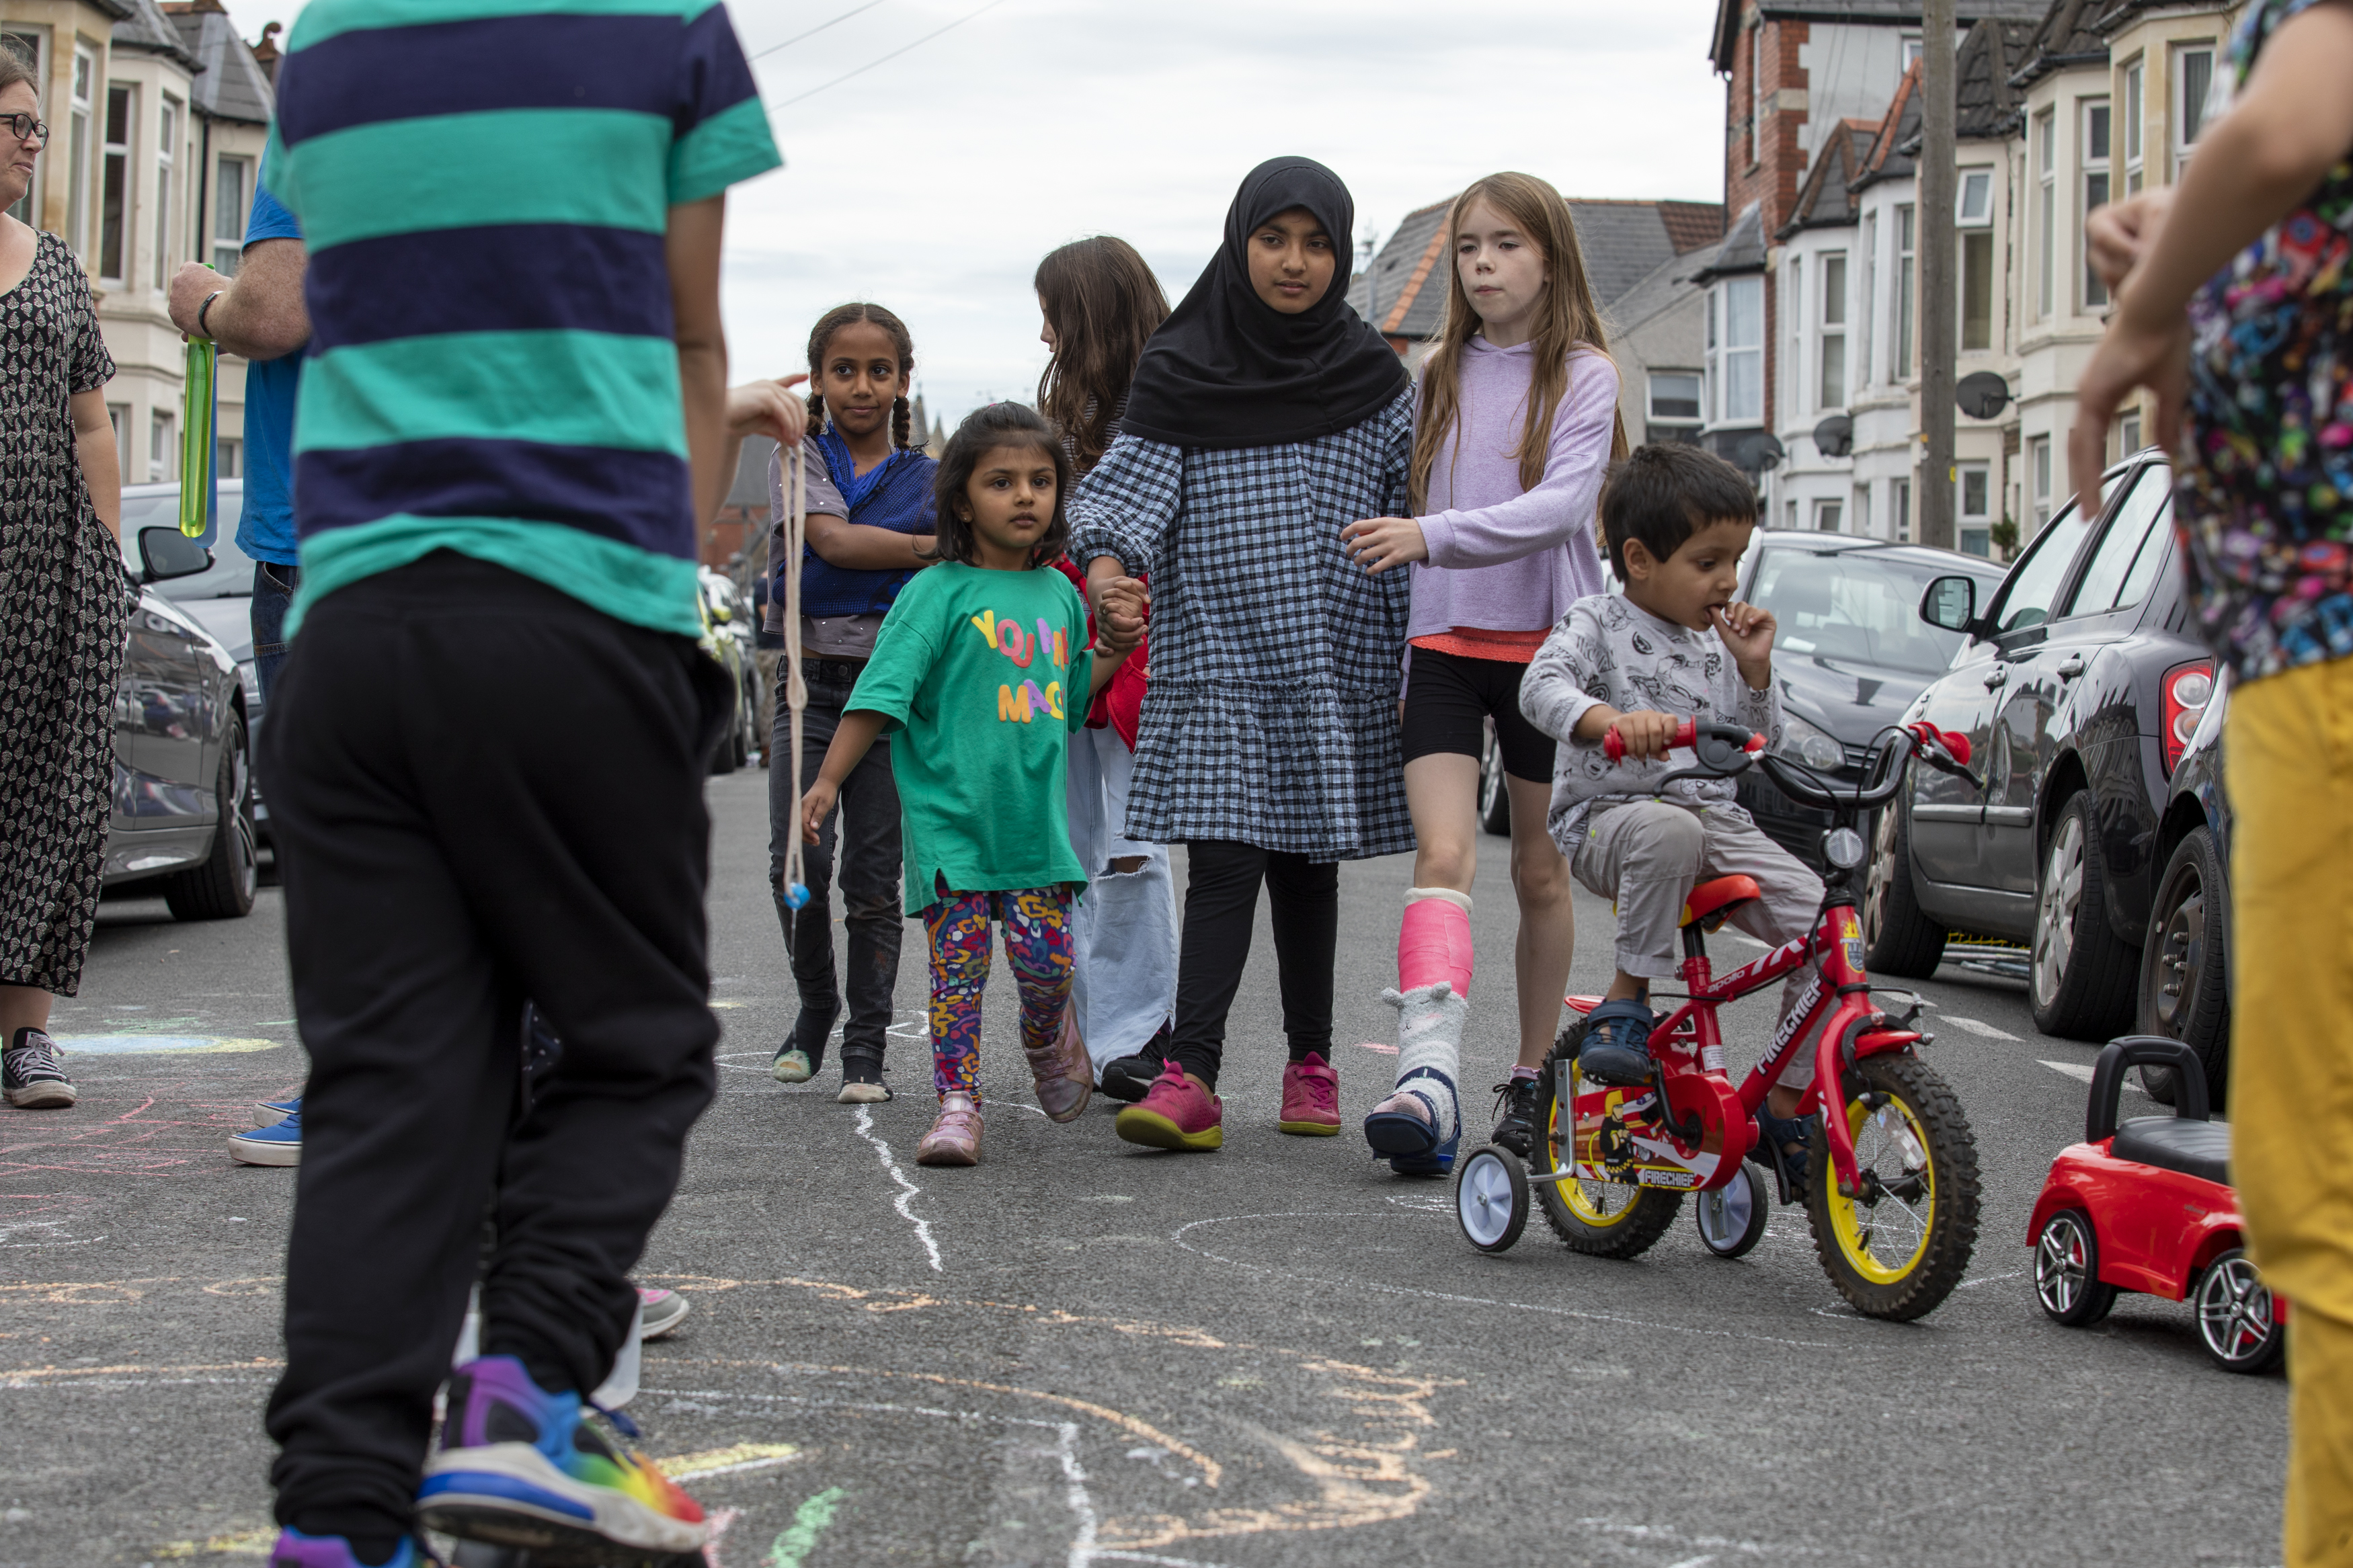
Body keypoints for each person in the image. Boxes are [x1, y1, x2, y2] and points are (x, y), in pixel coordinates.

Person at [254, 1, 780, 1563]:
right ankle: (530, 1392)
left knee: (389, 1101)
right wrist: (679, 589)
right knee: (633, 1039)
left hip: (349, 624)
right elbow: (691, 336)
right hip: (572, 603)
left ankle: (340, 1523)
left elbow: (324, 286)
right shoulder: (670, 28)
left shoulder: (329, 40)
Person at [2068, 4, 2353, 1557]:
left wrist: (2146, 318)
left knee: (2327, 1182)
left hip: (2334, 652)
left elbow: (2287, 131)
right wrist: (2193, 249)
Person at [1069, 156, 1415, 1153]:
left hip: (1333, 660)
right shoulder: (1186, 366)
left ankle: (1312, 1064)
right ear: (1239, 243)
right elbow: (1118, 497)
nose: (1295, 262)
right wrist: (1105, 569)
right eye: (1274, 239)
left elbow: (1424, 501)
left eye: (1317, 244)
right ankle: (1193, 1075)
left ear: (1342, 255)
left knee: (1308, 865)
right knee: (1224, 863)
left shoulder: (1378, 378)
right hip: (1218, 654)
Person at [1339, 171, 1622, 1175]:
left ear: (1549, 257)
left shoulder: (1586, 374)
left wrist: (1430, 535)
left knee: (1539, 869)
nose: (1485, 264)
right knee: (1444, 854)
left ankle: (1535, 1084)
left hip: (1549, 654)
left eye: (1506, 245)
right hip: (1445, 645)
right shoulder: (1435, 369)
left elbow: (1554, 509)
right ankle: (1428, 1076)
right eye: (1469, 248)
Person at [799, 403, 1142, 1165]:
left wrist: (1115, 648)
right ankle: (958, 1103)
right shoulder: (934, 592)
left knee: (1047, 969)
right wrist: (825, 783)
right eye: (1001, 482)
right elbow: (881, 692)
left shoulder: (1060, 595)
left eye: (1040, 481)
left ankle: (1047, 1038)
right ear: (961, 500)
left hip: (1033, 830)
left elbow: (1071, 694)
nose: (1025, 496)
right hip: (951, 826)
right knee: (957, 974)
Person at [1517, 444, 1823, 1197]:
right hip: (1609, 817)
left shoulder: (1720, 648)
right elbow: (1539, 686)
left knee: (1828, 924)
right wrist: (1607, 720)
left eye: (1736, 560)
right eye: (1707, 560)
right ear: (1639, 557)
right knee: (1670, 830)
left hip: (1711, 824)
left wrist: (1754, 672)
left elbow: (1760, 743)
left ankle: (1782, 1106)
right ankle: (1626, 999)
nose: (1727, 582)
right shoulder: (1596, 619)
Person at [764, 303, 935, 1104]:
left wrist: (887, 557)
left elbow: (899, 577)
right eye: (842, 370)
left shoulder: (932, 477)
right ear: (820, 379)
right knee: (796, 862)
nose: (860, 386)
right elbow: (829, 548)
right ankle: (814, 1006)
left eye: (878, 370)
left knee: (872, 879)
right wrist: (923, 547)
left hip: (889, 696)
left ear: (904, 379)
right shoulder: (794, 457)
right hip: (807, 694)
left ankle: (864, 1046)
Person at [0, 51, 124, 1117]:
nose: (34, 142)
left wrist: (111, 555)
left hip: (53, 574)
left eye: (40, 127)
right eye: (16, 122)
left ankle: (29, 1037)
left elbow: (91, 419)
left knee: (53, 794)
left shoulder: (52, 263)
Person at [1033, 235, 1180, 1102]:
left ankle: (1143, 1030)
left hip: (1137, 652)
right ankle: (1087, 1030)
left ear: (1084, 313)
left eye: (1052, 313)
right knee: (1068, 844)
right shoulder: (1057, 418)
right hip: (1056, 653)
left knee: (1133, 847)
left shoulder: (1164, 408)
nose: (1043, 335)